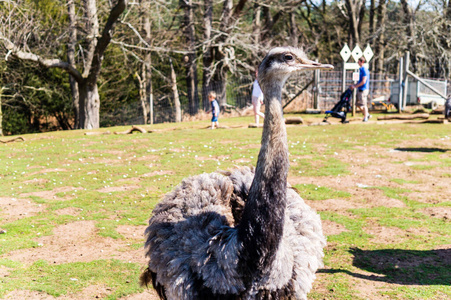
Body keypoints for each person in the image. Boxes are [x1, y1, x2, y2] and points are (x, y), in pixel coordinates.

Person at [350, 56, 371, 122]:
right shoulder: (360, 69)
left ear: (362, 62)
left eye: (359, 61)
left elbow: (363, 81)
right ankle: (367, 114)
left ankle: (365, 117)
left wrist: (355, 86)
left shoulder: (364, 70)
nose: (358, 63)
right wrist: (355, 85)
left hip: (363, 89)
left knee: (363, 104)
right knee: (357, 104)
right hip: (360, 89)